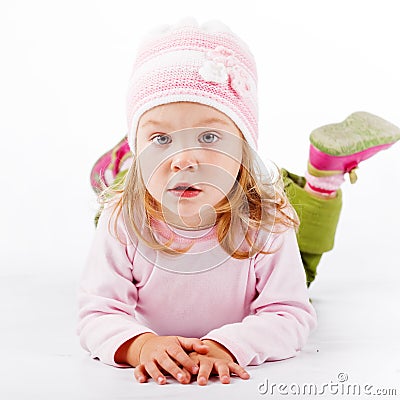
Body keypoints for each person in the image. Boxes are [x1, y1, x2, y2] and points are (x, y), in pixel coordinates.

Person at [77, 18, 400, 386]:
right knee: (126, 189)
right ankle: (129, 161)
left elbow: (289, 313)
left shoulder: (266, 223)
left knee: (301, 253)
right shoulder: (121, 220)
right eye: (161, 137)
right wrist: (140, 345)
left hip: (247, 197)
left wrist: (229, 346)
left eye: (210, 136)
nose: (185, 157)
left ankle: (320, 181)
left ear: (245, 148)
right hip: (144, 189)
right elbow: (98, 311)